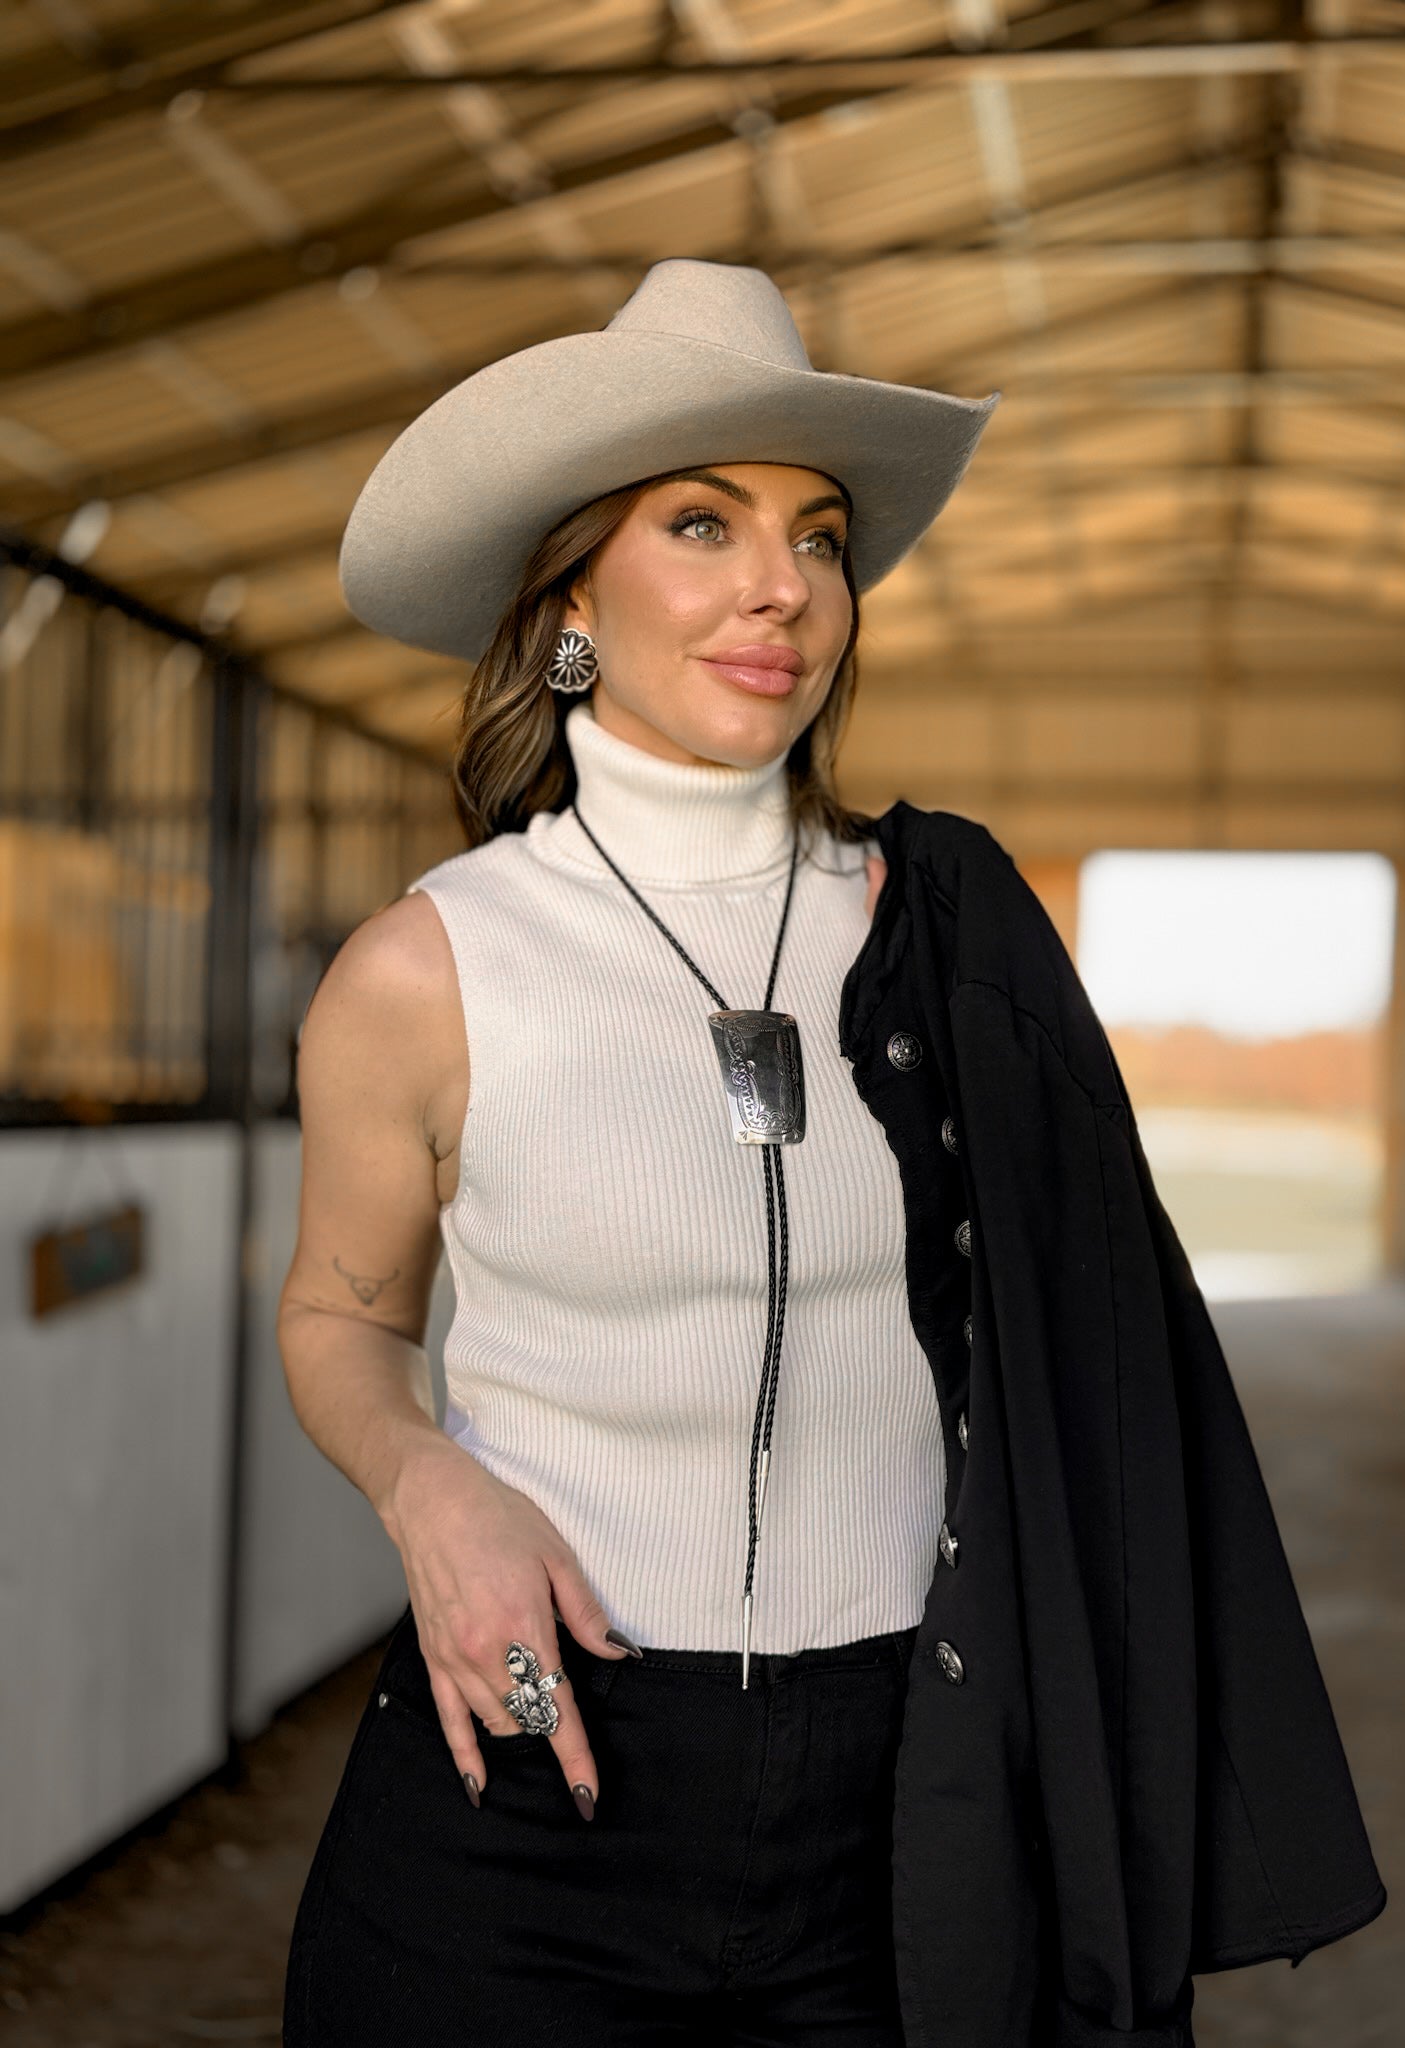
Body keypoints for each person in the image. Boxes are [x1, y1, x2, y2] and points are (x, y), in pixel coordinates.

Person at [278, 257, 999, 2044]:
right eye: (704, 522)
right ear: (573, 591)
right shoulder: (427, 968)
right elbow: (338, 1320)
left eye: (819, 537)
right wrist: (428, 1490)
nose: (784, 587)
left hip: (897, 1791)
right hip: (536, 1764)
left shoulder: (936, 939)